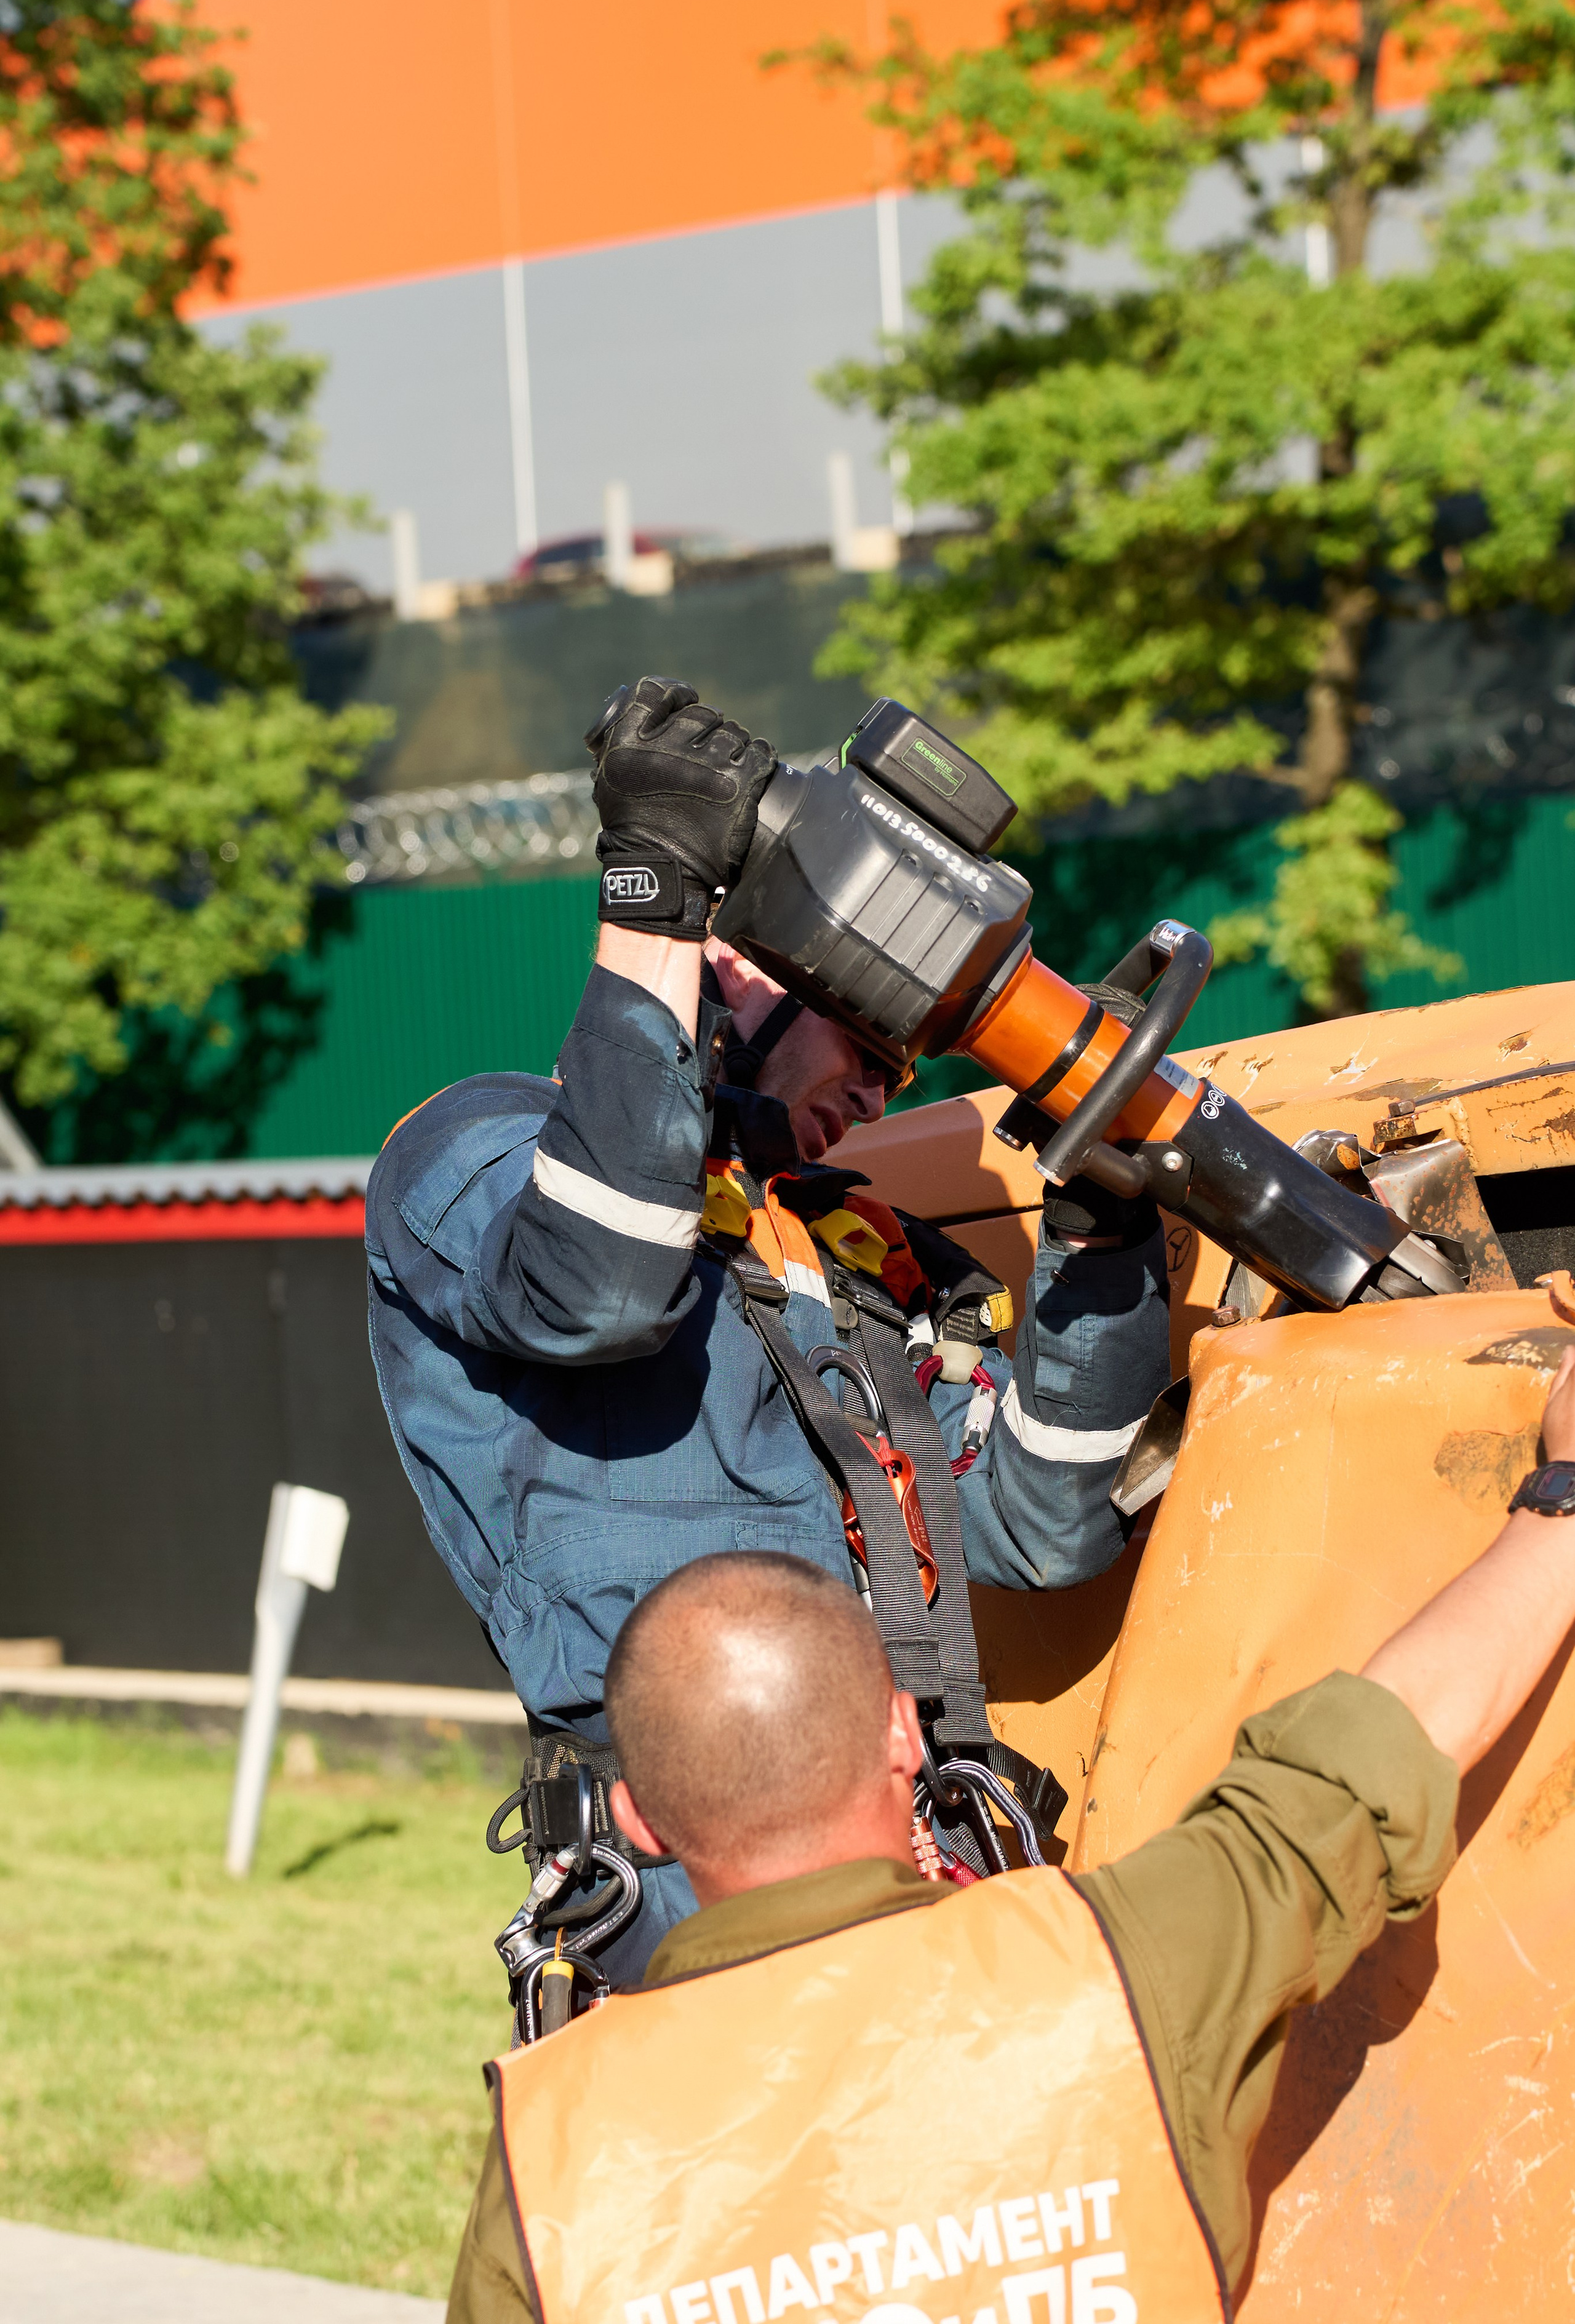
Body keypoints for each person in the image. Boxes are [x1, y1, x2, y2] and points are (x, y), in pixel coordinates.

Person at [448, 1347, 1575, 2324]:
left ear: (635, 1818)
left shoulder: (550, 2152)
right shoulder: (1120, 1973)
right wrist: (1562, 1500)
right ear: (902, 1733)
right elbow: (1358, 1763)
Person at [366, 678, 1171, 1975]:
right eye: (863, 1036)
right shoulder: (473, 1149)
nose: (879, 1086)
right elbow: (601, 1285)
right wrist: (652, 897)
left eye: (906, 1066)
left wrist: (1102, 1238)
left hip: (920, 1834)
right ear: (744, 969)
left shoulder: (839, 1242)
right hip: (702, 1879)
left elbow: (1037, 1526)